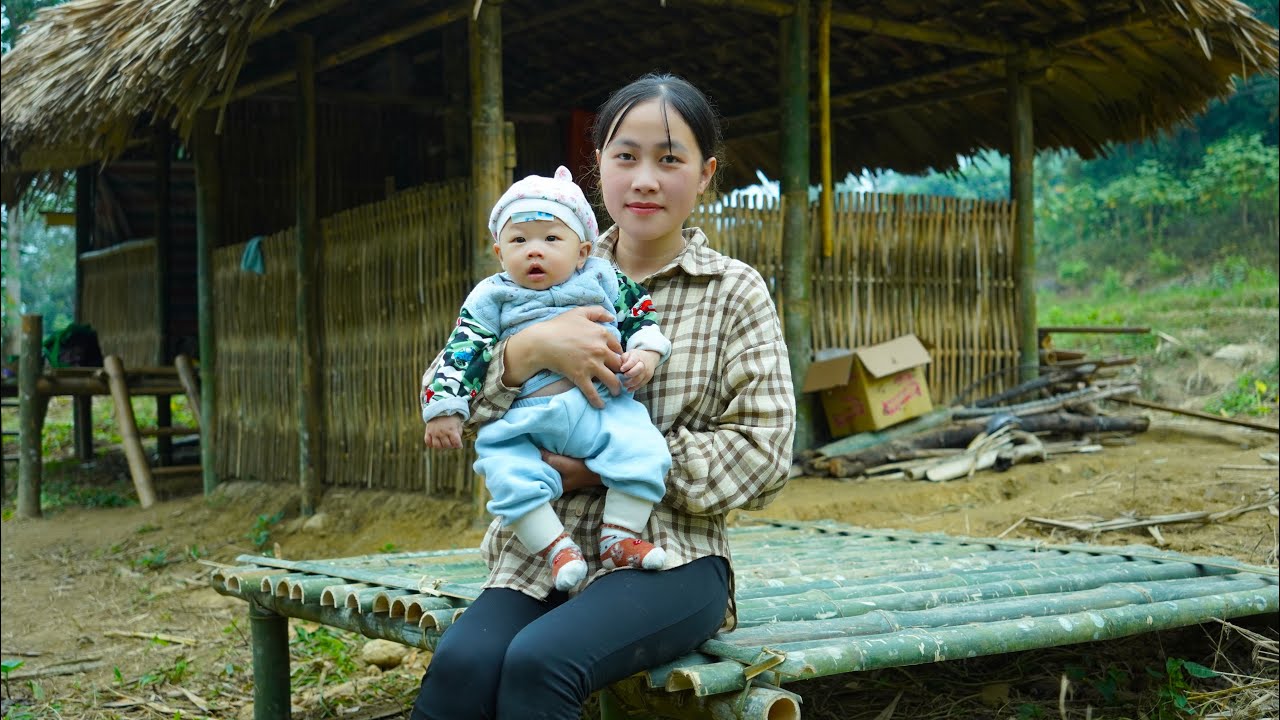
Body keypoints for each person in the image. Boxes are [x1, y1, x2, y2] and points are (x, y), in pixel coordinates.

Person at [411, 73, 796, 720]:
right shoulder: (530, 276)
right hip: (541, 554)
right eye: (626, 156)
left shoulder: (734, 293)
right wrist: (525, 354)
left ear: (705, 175)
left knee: (540, 663)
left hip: (676, 559)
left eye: (670, 159)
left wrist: (597, 469)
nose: (645, 179)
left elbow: (764, 454)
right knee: (462, 666)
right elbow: (454, 399)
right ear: (598, 167)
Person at [420, 165, 673, 592]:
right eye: (519, 241)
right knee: (505, 471)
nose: (534, 251)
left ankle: (618, 537)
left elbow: (640, 315)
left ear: (582, 251)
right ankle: (556, 550)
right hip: (524, 420)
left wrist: (647, 354)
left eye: (551, 239)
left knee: (643, 447)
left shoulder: (603, 277)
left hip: (601, 408)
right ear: (500, 253)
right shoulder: (492, 296)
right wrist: (444, 407)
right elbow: (463, 349)